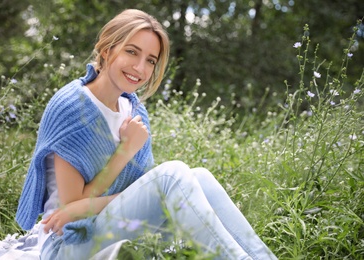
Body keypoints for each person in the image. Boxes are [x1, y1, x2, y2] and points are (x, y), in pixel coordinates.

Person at [16, 9, 276, 260]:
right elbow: (73, 211)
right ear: (107, 51)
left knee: (200, 177)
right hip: (69, 243)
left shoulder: (134, 108)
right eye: (132, 52)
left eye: (151, 60)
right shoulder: (73, 107)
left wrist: (149, 194)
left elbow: (135, 193)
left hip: (115, 228)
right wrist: (126, 151)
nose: (140, 68)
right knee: (172, 175)